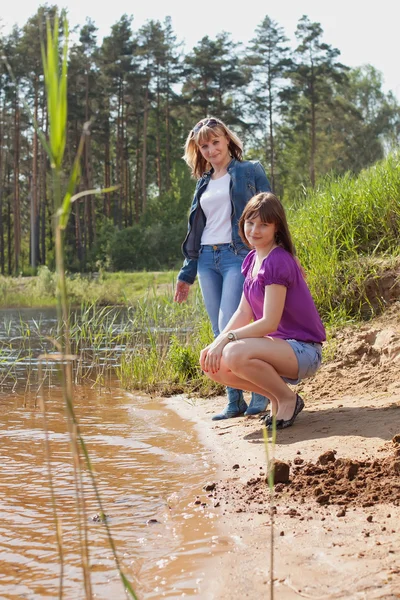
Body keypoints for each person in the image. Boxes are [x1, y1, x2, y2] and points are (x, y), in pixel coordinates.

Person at [199, 192, 326, 429]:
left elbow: (269, 322)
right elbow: (243, 313)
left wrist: (226, 339)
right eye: (250, 222)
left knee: (234, 352)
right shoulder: (252, 259)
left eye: (263, 225)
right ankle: (278, 397)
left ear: (276, 228)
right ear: (242, 223)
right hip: (278, 348)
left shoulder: (277, 261)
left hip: (303, 351)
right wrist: (216, 343)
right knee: (212, 364)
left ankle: (288, 399)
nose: (254, 230)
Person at [174, 116, 271, 420]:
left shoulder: (249, 171)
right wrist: (186, 274)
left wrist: (274, 254)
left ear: (227, 140)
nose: (211, 149)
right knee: (218, 329)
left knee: (233, 324)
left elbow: (271, 210)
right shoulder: (203, 183)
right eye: (204, 145)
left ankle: (260, 391)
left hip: (236, 255)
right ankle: (234, 399)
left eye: (215, 141)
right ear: (198, 150)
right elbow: (196, 230)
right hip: (205, 259)